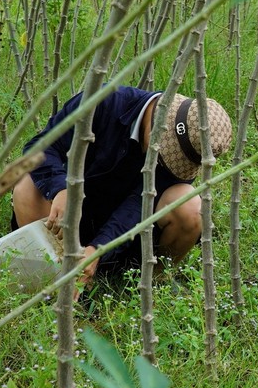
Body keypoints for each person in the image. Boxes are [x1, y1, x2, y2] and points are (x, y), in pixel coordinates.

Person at [12, 86, 233, 286]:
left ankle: (149, 284)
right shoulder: (104, 102)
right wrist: (60, 188)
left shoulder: (187, 149)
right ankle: (48, 276)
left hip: (130, 239)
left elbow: (137, 206)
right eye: (166, 155)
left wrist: (100, 249)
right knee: (26, 185)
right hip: (67, 217)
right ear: (160, 121)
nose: (165, 163)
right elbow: (41, 148)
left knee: (192, 206)